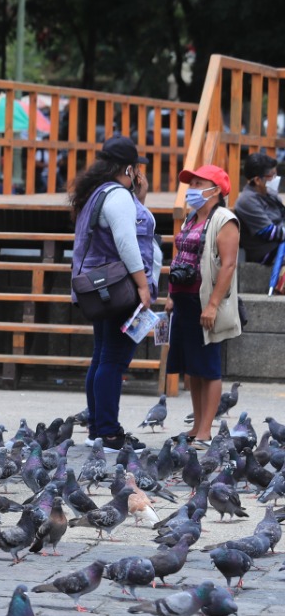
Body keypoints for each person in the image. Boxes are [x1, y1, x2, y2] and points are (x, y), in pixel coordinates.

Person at [69, 135, 158, 452]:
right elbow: (127, 243)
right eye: (137, 169)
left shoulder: (97, 193)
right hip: (122, 290)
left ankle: (97, 429)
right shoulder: (117, 196)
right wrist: (144, 285)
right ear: (130, 168)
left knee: (102, 357)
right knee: (114, 361)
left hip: (102, 290)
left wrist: (140, 199)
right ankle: (108, 433)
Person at [166, 164, 241, 444]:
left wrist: (212, 305)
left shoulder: (225, 220)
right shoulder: (191, 218)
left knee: (208, 368)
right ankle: (196, 425)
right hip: (183, 300)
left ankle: (206, 429)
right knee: (192, 368)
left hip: (205, 301)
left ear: (215, 189)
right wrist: (172, 296)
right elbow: (181, 258)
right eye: (191, 183)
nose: (192, 188)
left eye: (198, 183)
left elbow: (229, 265)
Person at [232, 152, 285, 268]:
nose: (276, 179)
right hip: (267, 252)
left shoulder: (270, 193)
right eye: (272, 176)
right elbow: (269, 232)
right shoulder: (246, 201)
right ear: (257, 180)